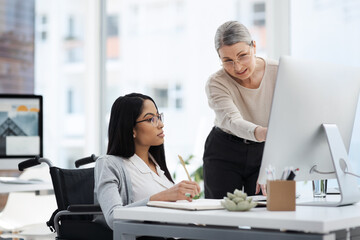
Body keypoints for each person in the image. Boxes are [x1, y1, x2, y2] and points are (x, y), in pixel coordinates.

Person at [94, 93, 200, 231]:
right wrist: (162, 197)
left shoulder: (156, 165)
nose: (161, 124)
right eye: (151, 119)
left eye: (159, 117)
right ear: (132, 129)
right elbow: (114, 217)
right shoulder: (109, 164)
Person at [203, 21, 278, 199]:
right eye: (227, 61)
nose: (237, 67)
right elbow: (232, 121)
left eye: (242, 55)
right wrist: (262, 132)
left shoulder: (279, 72)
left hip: (265, 150)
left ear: (254, 47)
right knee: (221, 218)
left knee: (268, 212)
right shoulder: (216, 82)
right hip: (224, 150)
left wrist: (273, 154)